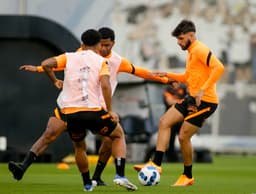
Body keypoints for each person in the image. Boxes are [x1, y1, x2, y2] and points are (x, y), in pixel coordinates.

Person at [8, 27, 169, 185]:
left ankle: (95, 178)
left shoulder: (117, 61)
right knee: (50, 135)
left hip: (93, 107)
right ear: (97, 43)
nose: (104, 48)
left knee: (106, 141)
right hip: (77, 106)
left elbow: (140, 71)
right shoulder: (83, 55)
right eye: (102, 44)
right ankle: (23, 167)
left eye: (107, 45)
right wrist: (38, 69)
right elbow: (60, 65)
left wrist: (163, 78)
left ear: (113, 43)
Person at [41, 29, 138, 191]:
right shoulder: (101, 61)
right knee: (118, 135)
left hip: (71, 113)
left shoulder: (70, 57)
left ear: (82, 44)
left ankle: (87, 183)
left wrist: (55, 81)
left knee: (79, 147)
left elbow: (45, 64)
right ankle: (120, 175)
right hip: (93, 110)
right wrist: (110, 110)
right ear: (99, 44)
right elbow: (106, 85)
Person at [133, 19, 225, 186]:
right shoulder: (191, 52)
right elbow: (187, 78)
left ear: (191, 35)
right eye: (178, 39)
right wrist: (167, 74)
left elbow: (219, 67)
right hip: (193, 98)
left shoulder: (200, 49)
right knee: (164, 122)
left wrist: (203, 89)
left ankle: (187, 176)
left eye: (181, 39)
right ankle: (156, 164)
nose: (179, 42)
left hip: (206, 102)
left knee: (183, 136)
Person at [163, 82, 187, 162]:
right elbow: (169, 102)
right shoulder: (168, 90)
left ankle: (186, 157)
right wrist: (183, 101)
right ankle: (171, 158)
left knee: (184, 138)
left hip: (182, 120)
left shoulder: (183, 89)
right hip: (171, 120)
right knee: (170, 140)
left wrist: (177, 101)